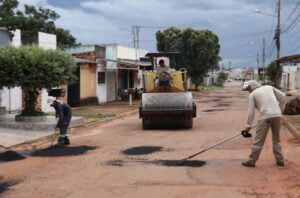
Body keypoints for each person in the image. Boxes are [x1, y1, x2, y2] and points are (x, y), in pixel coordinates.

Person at [242, 80, 286, 167]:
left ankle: (252, 161)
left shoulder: (252, 95)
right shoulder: (269, 87)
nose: (248, 91)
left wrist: (248, 127)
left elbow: (251, 112)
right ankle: (280, 160)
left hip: (265, 117)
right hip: (277, 115)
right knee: (276, 140)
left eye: (248, 89)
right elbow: (283, 97)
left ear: (251, 87)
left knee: (258, 140)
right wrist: (279, 110)